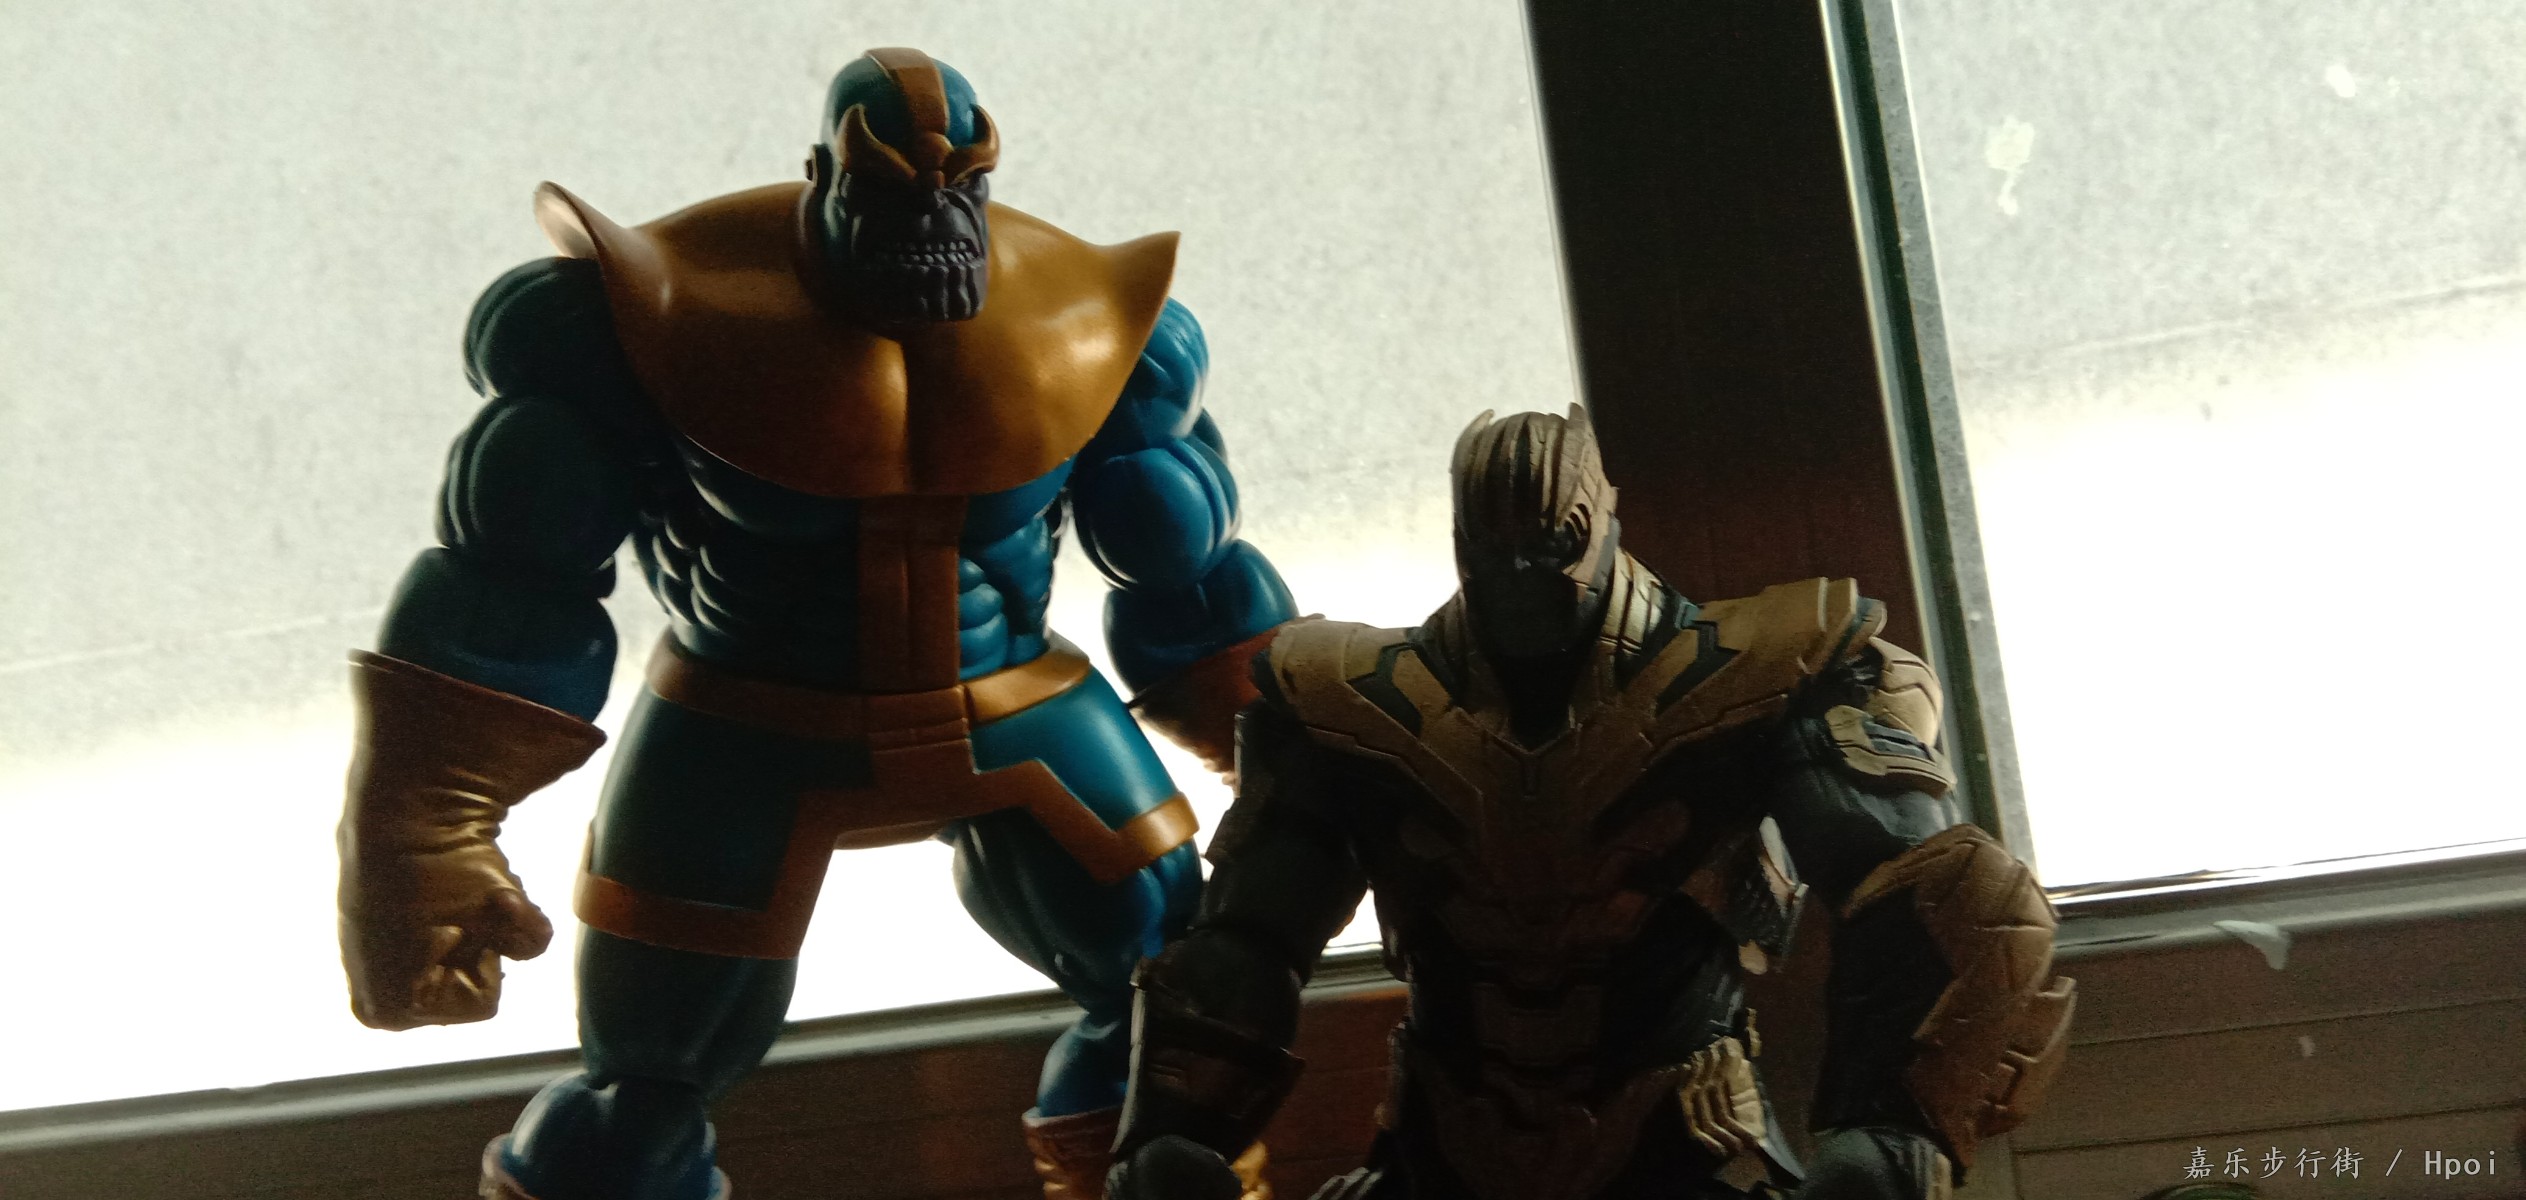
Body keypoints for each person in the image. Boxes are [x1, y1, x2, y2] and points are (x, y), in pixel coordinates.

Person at [334, 47, 1292, 1200]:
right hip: (747, 727)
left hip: (1015, 702)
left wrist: (1292, 765)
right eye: (892, 187)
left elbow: (1190, 573)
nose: (933, 225)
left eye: (959, 188)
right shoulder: (643, 320)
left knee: (1176, 1008)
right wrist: (424, 822)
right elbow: (513, 580)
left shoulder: (1102, 325)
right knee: (644, 1079)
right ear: (825, 175)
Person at [1106, 408, 2073, 1200]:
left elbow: (1943, 895)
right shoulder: (1348, 705)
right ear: (1463, 549)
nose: (1524, 580)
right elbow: (1247, 940)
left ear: (1600, 526)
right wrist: (1170, 1135)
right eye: (1496, 556)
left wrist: (1889, 1136)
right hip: (1439, 1155)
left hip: (1692, 1153)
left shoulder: (1772, 669)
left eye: (1553, 547)